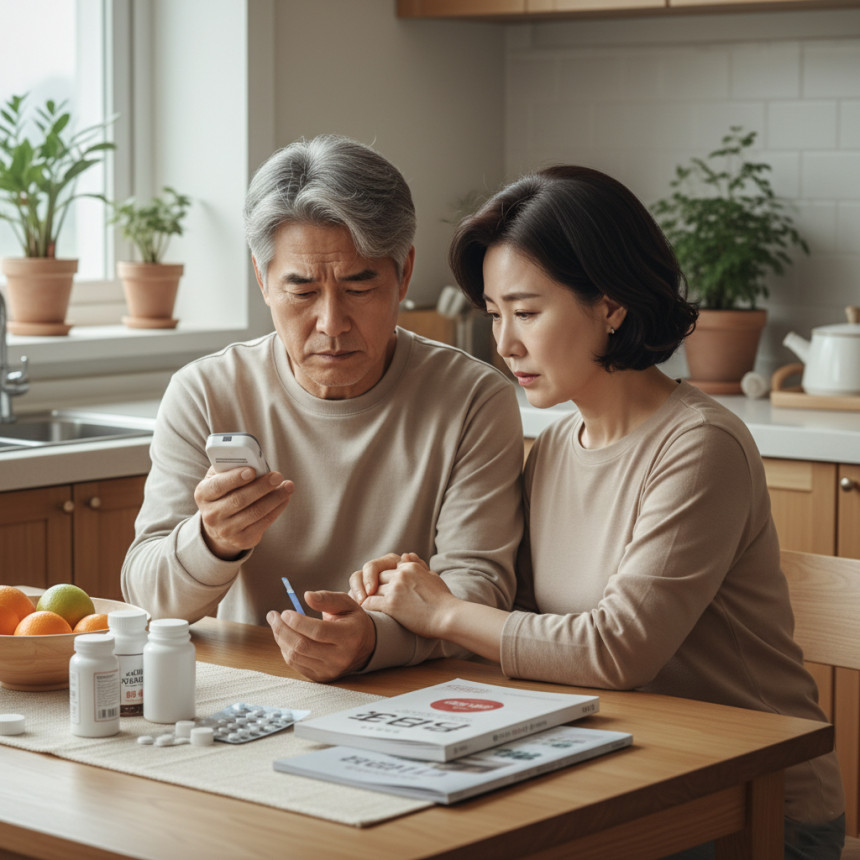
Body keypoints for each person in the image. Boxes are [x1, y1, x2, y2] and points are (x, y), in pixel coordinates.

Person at [351, 165, 845, 858]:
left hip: (752, 806)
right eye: (495, 314)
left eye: (526, 312)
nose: (505, 343)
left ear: (610, 306)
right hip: (623, 770)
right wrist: (400, 601)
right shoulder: (553, 446)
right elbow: (517, 624)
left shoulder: (699, 446)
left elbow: (620, 649)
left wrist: (443, 612)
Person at [121, 135, 524, 682]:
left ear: (403, 274)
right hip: (254, 685)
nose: (332, 323)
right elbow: (146, 593)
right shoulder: (204, 392)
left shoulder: (474, 399)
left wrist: (372, 642)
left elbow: (481, 587)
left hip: (413, 691)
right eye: (303, 290)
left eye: (359, 286)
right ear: (263, 280)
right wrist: (213, 541)